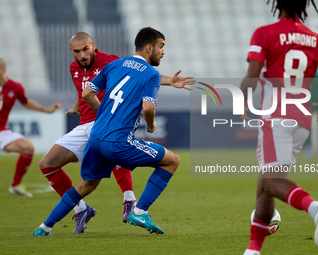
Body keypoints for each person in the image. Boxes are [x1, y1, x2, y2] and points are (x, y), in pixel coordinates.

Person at [34, 28, 188, 236]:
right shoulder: (151, 74)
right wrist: (151, 126)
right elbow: (148, 108)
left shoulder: (115, 64)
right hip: (117, 141)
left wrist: (105, 113)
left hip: (96, 136)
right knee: (172, 161)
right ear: (149, 47)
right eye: (161, 47)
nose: (163, 52)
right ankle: (139, 211)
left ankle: (44, 227)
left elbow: (87, 93)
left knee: (86, 185)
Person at [240, 1, 318, 254]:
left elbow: (252, 75)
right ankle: (253, 250)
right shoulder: (316, 39)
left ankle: (316, 208)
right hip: (303, 121)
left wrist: (240, 102)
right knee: (266, 182)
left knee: (271, 181)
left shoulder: (265, 33)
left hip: (276, 117)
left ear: (278, 4)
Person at [0, 58, 61, 197]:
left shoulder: (15, 87)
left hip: (2, 131)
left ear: (1, 71)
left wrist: (47, 110)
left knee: (28, 147)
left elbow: (26, 102)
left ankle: (15, 185)